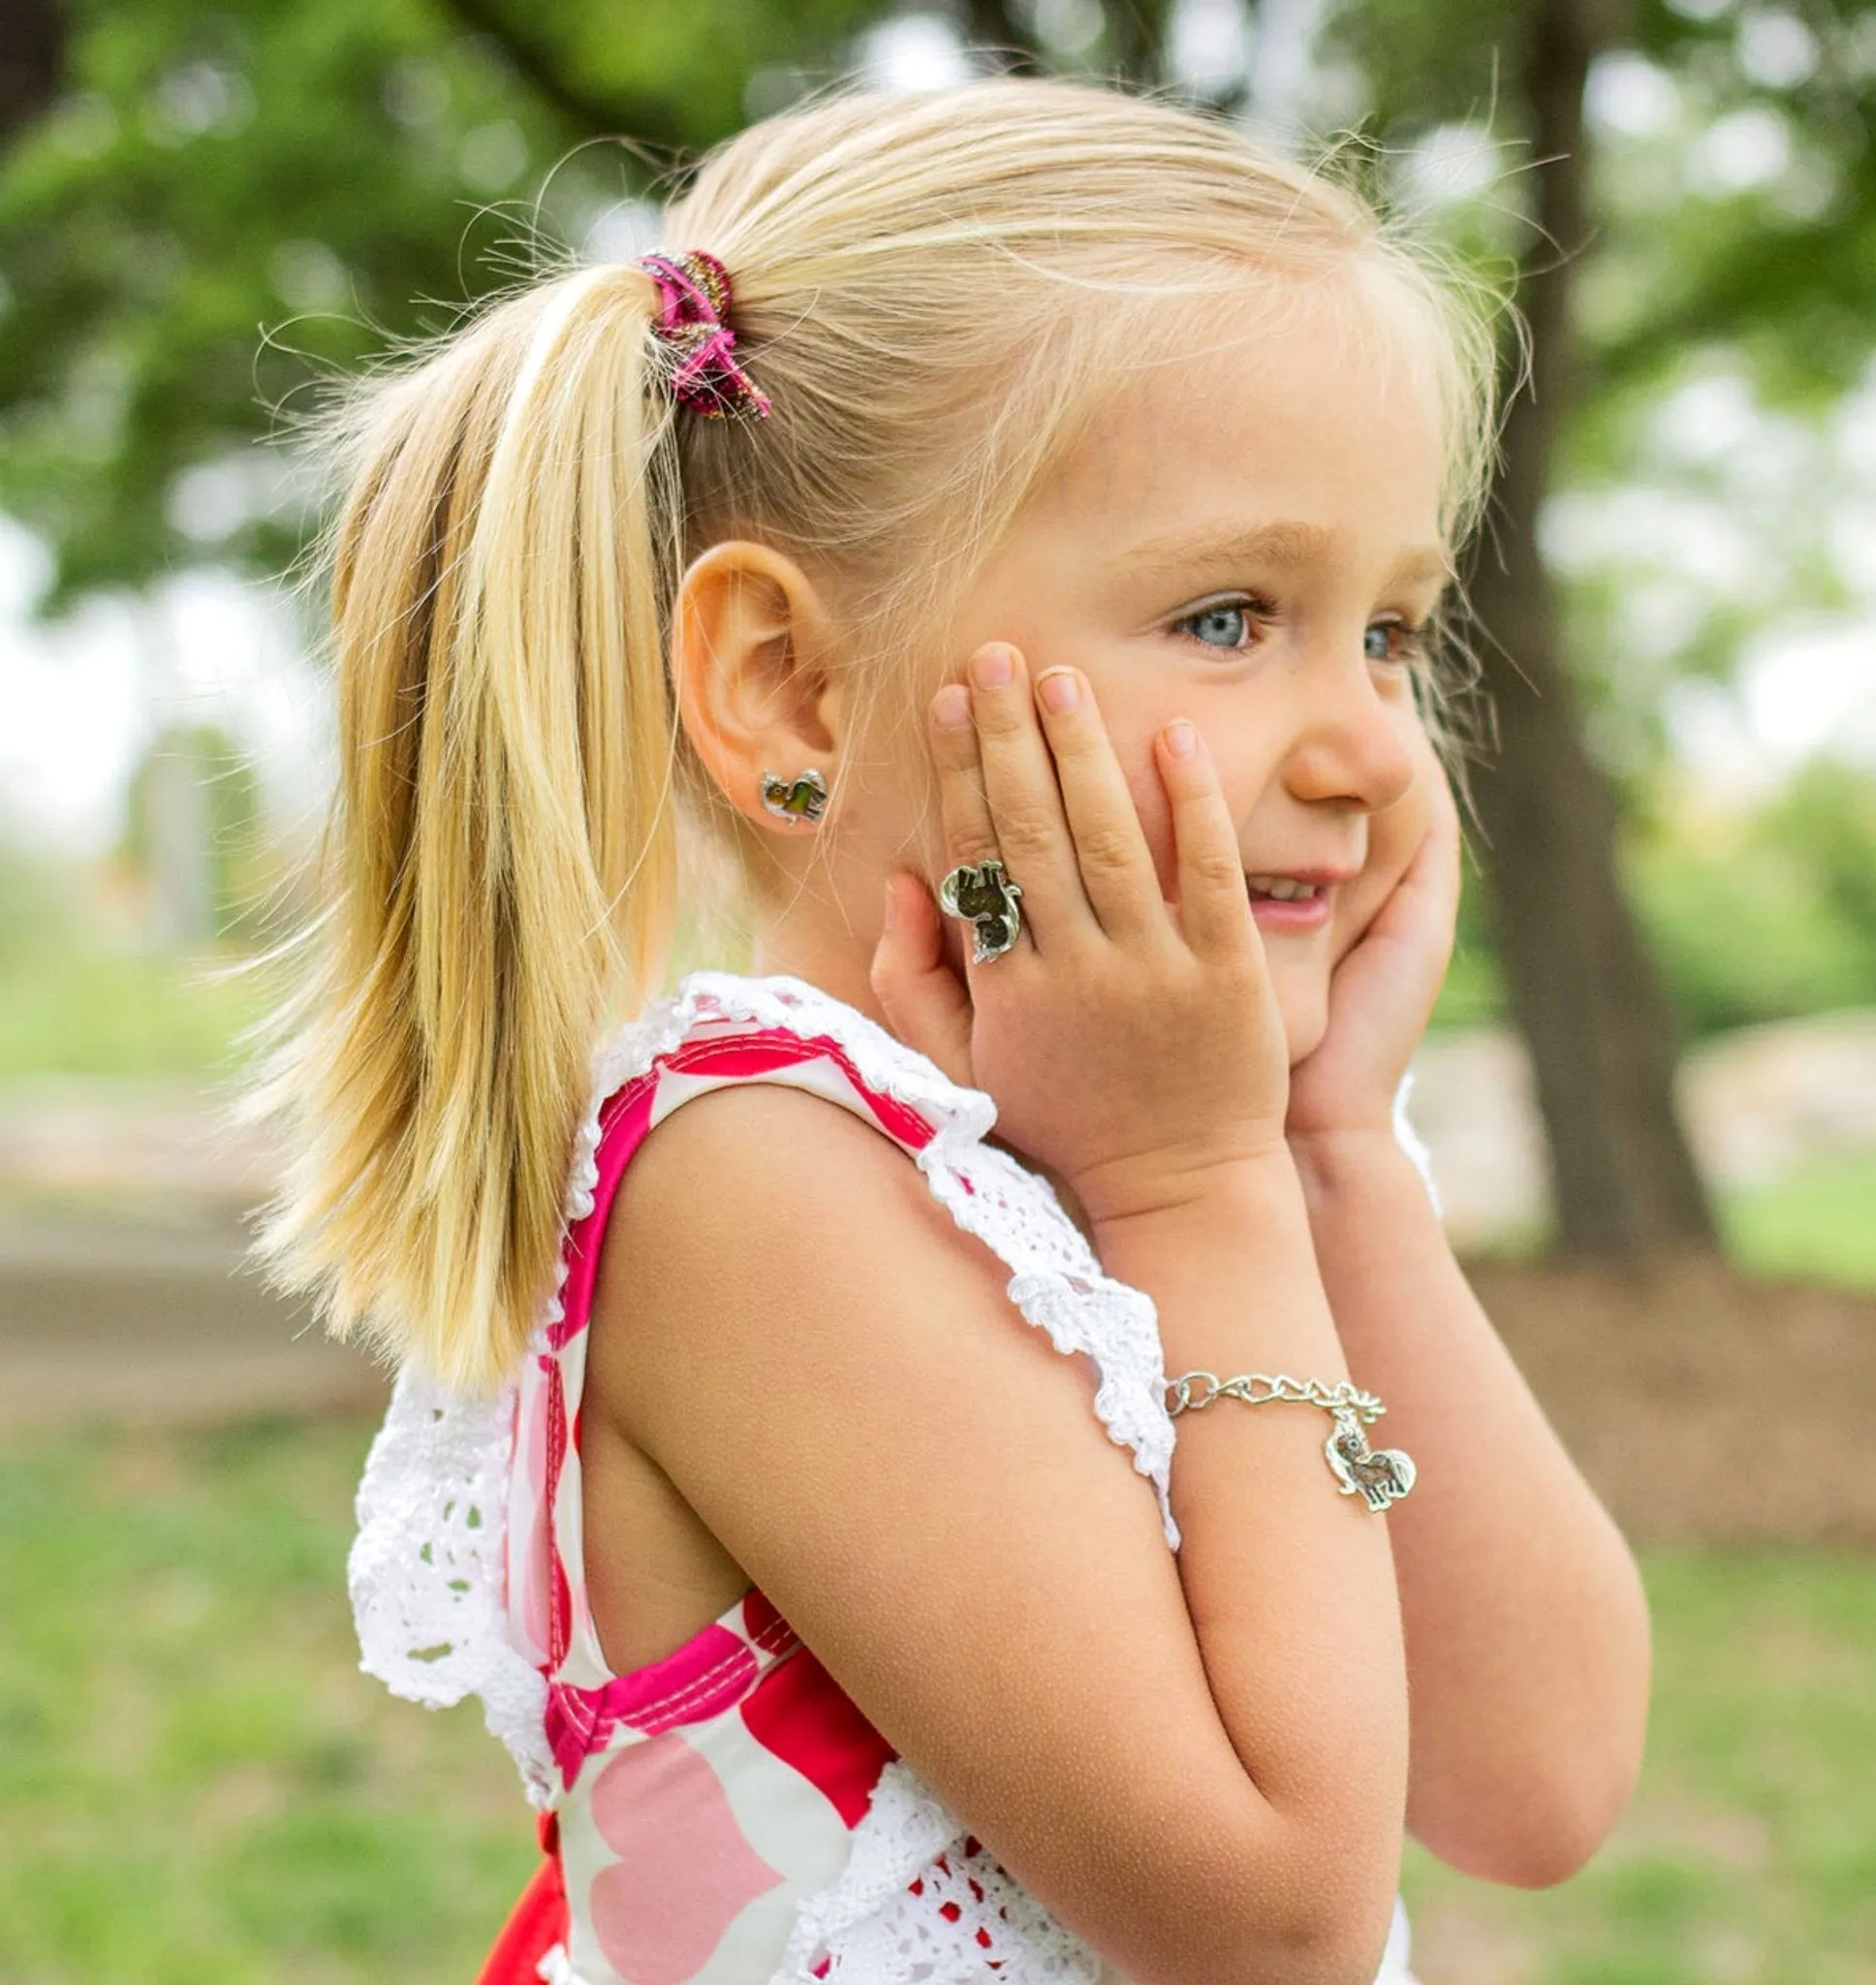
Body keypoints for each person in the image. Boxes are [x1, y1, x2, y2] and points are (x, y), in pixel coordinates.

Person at [249, 74, 1651, 1985]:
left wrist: (1326, 1157)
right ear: (794, 689)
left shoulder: (1200, 1158)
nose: (1364, 750)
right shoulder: (749, 1177)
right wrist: (1203, 1182)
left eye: (1392, 631)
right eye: (1232, 614)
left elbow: (1537, 1782)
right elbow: (1273, 1926)